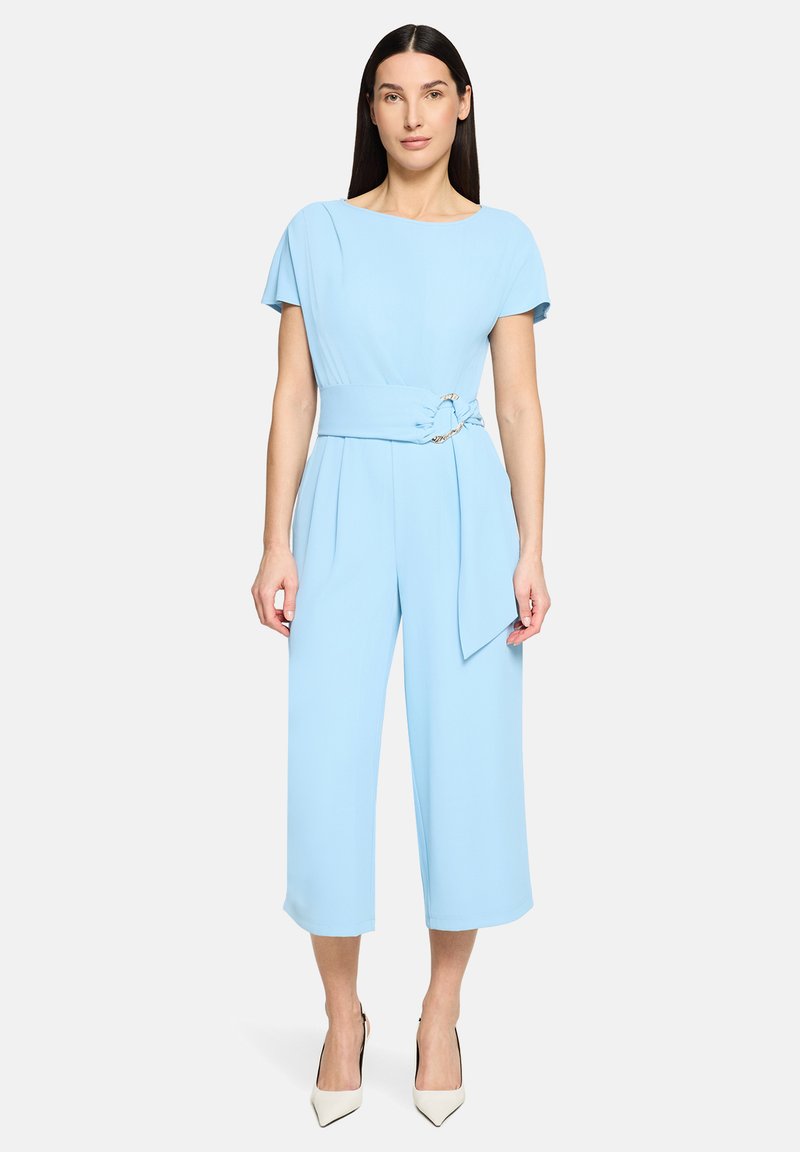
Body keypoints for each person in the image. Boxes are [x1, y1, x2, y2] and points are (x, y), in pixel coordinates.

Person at [252, 23, 552, 1128]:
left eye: (433, 92)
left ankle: (439, 1011)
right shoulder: (316, 232)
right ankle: (342, 1016)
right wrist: (273, 540)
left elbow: (516, 403)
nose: (413, 113)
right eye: (391, 93)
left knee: (464, 759)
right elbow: (294, 395)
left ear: (463, 104)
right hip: (340, 495)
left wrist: (531, 545)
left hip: (459, 498)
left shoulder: (502, 240)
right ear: (369, 110)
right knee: (327, 757)